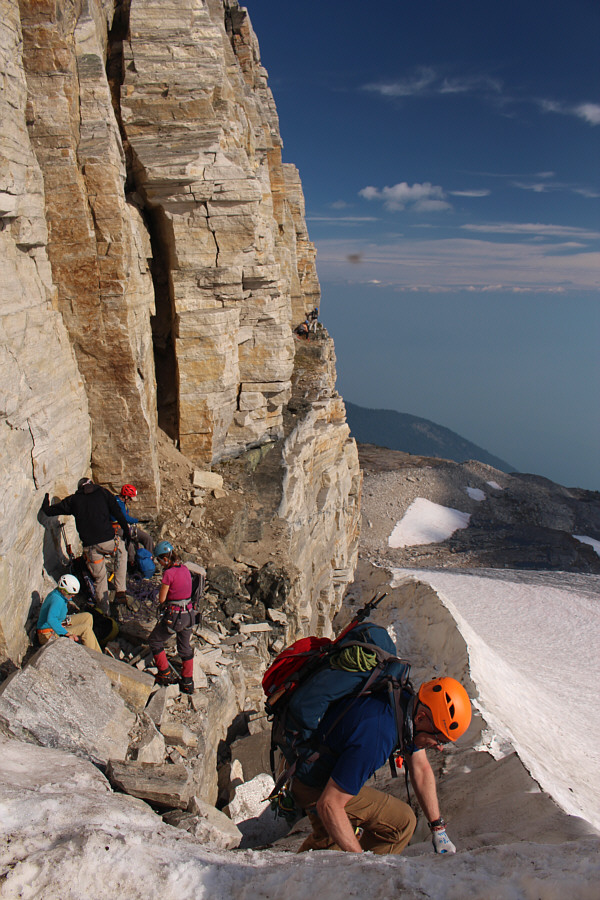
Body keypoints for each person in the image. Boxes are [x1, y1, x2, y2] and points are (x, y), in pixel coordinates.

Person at [292, 675, 472, 855]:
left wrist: (438, 829)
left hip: (331, 772)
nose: (439, 747)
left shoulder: (404, 706)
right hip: (314, 782)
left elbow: (421, 768)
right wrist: (361, 864)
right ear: (421, 718)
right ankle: (308, 876)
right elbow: (329, 804)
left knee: (402, 821)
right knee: (332, 849)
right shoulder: (378, 737)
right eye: (439, 738)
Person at [42, 478, 130, 614]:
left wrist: (46, 502)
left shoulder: (74, 500)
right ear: (92, 484)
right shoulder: (103, 492)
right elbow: (118, 513)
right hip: (108, 542)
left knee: (100, 578)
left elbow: (49, 511)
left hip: (90, 548)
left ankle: (104, 613)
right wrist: (127, 533)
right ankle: (120, 591)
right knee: (121, 551)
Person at [148, 541, 195, 694]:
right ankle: (188, 682)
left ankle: (165, 673)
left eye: (159, 560)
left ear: (165, 559)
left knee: (155, 640)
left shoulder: (169, 574)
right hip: (189, 614)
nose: (159, 563)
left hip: (175, 616)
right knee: (185, 647)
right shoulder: (185, 569)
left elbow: (162, 599)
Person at [37, 574, 102, 652]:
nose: (72, 597)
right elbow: (51, 619)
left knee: (87, 617)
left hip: (58, 625)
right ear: (63, 591)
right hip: (47, 634)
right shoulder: (57, 600)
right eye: (70, 595)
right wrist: (66, 633)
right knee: (86, 629)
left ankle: (86, 645)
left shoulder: (58, 594)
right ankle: (97, 656)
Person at [114, 484, 155, 566]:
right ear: (126, 497)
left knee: (148, 539)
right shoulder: (117, 503)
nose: (131, 501)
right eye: (130, 498)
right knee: (130, 543)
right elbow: (125, 518)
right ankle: (132, 563)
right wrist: (136, 520)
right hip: (118, 528)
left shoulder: (122, 503)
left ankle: (149, 561)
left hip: (126, 526)